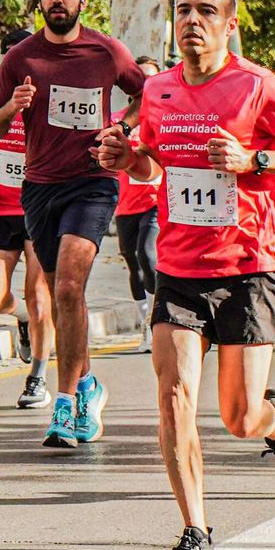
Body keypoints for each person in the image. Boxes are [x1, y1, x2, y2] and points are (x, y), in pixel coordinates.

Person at [97, 0, 275, 550]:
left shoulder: (257, 84)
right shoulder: (159, 89)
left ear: (229, 24)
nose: (192, 20)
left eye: (205, 11)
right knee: (174, 397)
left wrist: (255, 159)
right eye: (183, 10)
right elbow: (152, 164)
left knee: (240, 417)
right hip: (179, 268)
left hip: (248, 267)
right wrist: (128, 159)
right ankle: (196, 531)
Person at [0, 0, 146, 448]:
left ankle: (66, 403)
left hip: (93, 182)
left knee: (71, 285)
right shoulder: (20, 59)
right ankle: (88, 383)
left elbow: (146, 94)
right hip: (40, 187)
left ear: (81, 1)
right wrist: (13, 107)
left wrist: (122, 127)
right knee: (61, 297)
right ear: (40, 1)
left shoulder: (106, 51)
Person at [0, 27, 56, 408]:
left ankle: (38, 377)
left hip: (40, 206)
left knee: (39, 294)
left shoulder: (51, 96)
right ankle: (21, 317)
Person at [113, 55, 164, 352]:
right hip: (125, 205)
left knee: (147, 254)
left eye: (151, 78)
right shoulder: (119, 121)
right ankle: (145, 322)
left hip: (155, 202)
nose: (145, 84)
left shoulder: (165, 117)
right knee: (134, 263)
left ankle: (156, 322)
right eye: (140, 78)